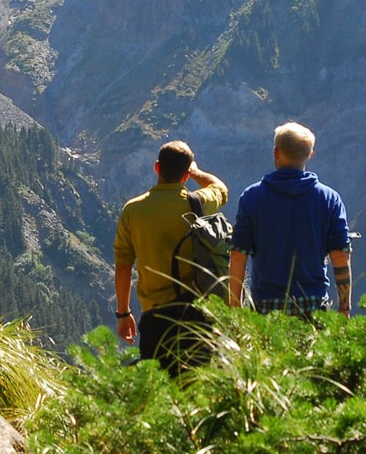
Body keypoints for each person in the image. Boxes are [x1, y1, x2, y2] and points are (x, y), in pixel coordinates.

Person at [113, 140, 228, 373]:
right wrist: (196, 172)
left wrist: (124, 313)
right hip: (198, 316)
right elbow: (220, 188)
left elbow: (124, 266)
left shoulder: (133, 211)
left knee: (160, 392)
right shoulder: (198, 202)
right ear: (186, 175)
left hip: (156, 318)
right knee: (197, 388)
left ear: (157, 168)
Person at [229, 122, 352, 316]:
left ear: (276, 153)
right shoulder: (329, 199)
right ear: (309, 155)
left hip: (265, 307)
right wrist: (344, 308)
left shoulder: (252, 197)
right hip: (313, 306)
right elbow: (340, 256)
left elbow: (238, 255)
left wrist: (235, 308)